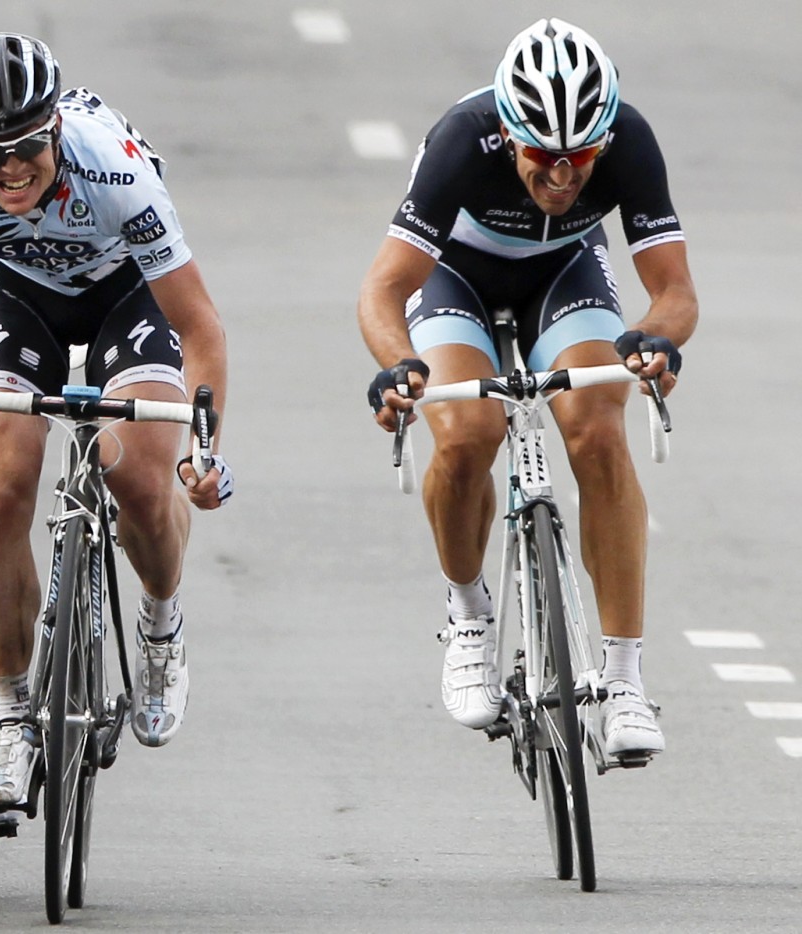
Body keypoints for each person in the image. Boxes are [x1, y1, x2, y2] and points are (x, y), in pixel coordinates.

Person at [0, 33, 233, 812]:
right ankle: (14, 715)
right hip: (19, 299)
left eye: (24, 149)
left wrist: (205, 450)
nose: (9, 169)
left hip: (126, 295)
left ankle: (160, 623)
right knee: (2, 491)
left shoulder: (113, 167)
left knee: (141, 478)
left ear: (52, 130)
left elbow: (200, 327)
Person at [357, 18, 697, 757]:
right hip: (457, 278)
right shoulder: (462, 139)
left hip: (565, 271)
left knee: (597, 431)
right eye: (543, 154)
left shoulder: (629, 139)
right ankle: (469, 616)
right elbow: (383, 291)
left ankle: (625, 680)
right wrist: (397, 365)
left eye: (581, 156)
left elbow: (675, 291)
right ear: (509, 133)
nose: (563, 176)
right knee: (468, 433)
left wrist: (658, 338)